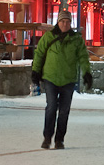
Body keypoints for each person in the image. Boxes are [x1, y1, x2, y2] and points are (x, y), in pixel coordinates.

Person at [31, 13, 93, 149]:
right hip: (50, 77)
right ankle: (47, 138)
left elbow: (83, 56)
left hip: (68, 79)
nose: (65, 24)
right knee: (51, 107)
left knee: (64, 110)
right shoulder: (48, 36)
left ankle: (60, 139)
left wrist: (87, 72)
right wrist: (35, 71)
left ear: (70, 23)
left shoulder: (76, 39)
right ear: (58, 22)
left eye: (67, 21)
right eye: (62, 21)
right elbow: (40, 53)